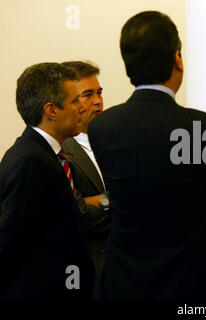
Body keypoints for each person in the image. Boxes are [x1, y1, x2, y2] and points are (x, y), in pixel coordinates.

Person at [88, 11, 206, 299]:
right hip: (197, 282)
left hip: (126, 282)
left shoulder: (101, 127)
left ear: (128, 64)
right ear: (178, 59)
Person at [0, 62, 95, 299]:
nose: (82, 108)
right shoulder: (30, 160)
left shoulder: (43, 154)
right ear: (51, 110)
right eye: (75, 101)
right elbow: (10, 245)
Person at [61, 61, 111, 299]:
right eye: (88, 95)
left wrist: (98, 201)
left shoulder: (115, 141)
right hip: (86, 275)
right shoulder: (59, 151)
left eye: (99, 93)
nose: (98, 101)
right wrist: (112, 201)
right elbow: (75, 214)